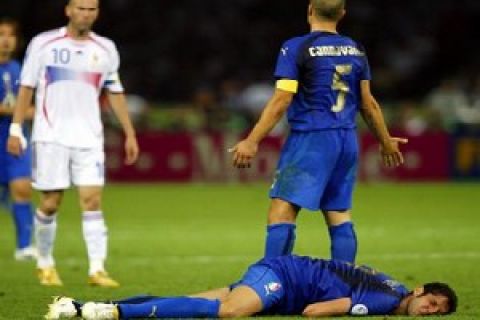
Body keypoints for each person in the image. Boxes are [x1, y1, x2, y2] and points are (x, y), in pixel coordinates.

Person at [229, 0, 408, 262]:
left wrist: (252, 140)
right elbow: (367, 103)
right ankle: (343, 285)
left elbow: (282, 99)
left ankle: (271, 281)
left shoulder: (297, 46)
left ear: (310, 9)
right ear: (342, 14)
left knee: (282, 210)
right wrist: (385, 140)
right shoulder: (356, 49)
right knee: (338, 213)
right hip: (347, 139)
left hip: (312, 138)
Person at [7, 0, 139, 287]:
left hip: (89, 138)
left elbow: (114, 91)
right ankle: (45, 263)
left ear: (97, 13)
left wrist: (129, 131)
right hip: (50, 137)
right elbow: (27, 87)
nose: (86, 14)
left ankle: (97, 269)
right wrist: (16, 129)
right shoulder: (44, 44)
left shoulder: (105, 49)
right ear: (68, 10)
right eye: (81, 8)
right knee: (51, 203)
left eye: (91, 9)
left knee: (92, 201)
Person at [44, 254, 457, 319]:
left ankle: (83, 306)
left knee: (197, 302)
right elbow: (315, 312)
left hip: (287, 273)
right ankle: (110, 312)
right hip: (285, 277)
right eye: (433, 302)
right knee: (230, 312)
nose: (432, 311)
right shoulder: (387, 301)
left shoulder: (394, 285)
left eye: (439, 312)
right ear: (419, 291)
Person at [0, 17, 37, 261]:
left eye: (10, 35)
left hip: (14, 139)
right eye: (1, 34)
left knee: (22, 189)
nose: (5, 39)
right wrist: (20, 110)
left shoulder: (20, 69)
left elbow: (30, 106)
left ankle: (24, 247)